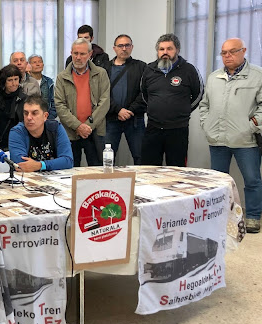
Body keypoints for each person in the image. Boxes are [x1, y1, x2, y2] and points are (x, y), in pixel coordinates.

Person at [199, 38, 262, 233]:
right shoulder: (214, 77)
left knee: (252, 180)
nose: (227, 56)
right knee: (218, 182)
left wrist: (252, 125)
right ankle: (218, 214)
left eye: (232, 52)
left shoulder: (257, 76)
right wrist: (206, 124)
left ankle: (253, 217)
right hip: (217, 139)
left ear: (243, 51)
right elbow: (204, 105)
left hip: (246, 140)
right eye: (224, 53)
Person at [140, 33, 203, 167]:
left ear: (177, 50)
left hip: (178, 129)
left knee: (177, 169)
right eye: (162, 49)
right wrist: (154, 107)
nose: (165, 52)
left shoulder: (189, 70)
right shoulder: (148, 70)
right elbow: (144, 94)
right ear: (157, 51)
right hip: (153, 128)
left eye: (169, 49)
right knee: (149, 168)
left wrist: (183, 109)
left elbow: (198, 94)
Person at [55, 38, 110, 167]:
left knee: (96, 170)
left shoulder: (101, 74)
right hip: (70, 132)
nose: (78, 57)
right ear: (71, 53)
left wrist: (88, 126)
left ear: (90, 54)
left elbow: (105, 101)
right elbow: (60, 105)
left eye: (82, 54)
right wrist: (78, 126)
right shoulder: (61, 77)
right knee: (70, 170)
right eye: (75, 53)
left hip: (94, 131)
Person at [101, 34, 147, 165]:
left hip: (134, 120)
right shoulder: (104, 69)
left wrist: (130, 110)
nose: (124, 48)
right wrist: (118, 110)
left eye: (127, 45)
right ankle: (108, 185)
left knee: (140, 156)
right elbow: (101, 94)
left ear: (132, 47)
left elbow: (145, 92)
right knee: (107, 159)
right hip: (110, 119)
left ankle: (140, 184)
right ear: (114, 48)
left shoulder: (141, 67)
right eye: (120, 46)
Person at [9, 95, 74, 172]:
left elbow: (68, 160)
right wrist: (52, 164)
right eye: (26, 113)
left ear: (45, 116)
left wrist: (40, 165)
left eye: (34, 113)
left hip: (54, 179)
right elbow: (21, 165)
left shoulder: (55, 128)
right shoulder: (17, 132)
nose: (29, 117)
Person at [0, 65, 27, 151]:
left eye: (16, 79)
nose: (14, 83)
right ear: (4, 82)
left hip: (17, 144)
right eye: (10, 80)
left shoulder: (25, 100)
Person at [27, 55, 57, 120]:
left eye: (40, 62)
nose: (38, 64)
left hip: (46, 118)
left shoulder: (49, 82)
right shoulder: (25, 82)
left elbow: (54, 103)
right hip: (29, 118)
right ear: (29, 66)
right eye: (34, 62)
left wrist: (49, 118)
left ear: (43, 65)